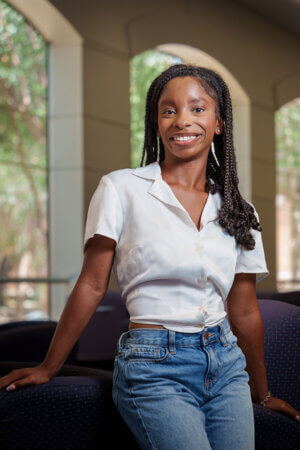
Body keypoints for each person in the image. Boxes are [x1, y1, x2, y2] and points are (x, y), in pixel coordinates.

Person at [0, 64, 299, 449]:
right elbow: (92, 284)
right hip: (153, 365)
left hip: (226, 368)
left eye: (197, 108)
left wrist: (262, 393)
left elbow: (243, 311)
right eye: (168, 110)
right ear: (156, 123)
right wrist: (48, 366)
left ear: (219, 123)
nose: (182, 121)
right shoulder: (122, 188)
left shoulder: (241, 210)